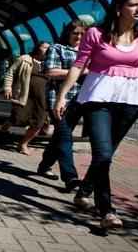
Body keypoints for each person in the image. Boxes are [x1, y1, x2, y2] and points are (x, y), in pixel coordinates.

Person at [53, 0, 138, 230]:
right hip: (98, 99)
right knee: (102, 154)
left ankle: (83, 193)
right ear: (119, 7)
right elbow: (79, 66)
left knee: (106, 154)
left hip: (130, 101)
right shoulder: (96, 33)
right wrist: (62, 96)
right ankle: (107, 211)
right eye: (134, 4)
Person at [36, 20, 89, 192]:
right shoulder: (57, 48)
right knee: (66, 137)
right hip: (59, 99)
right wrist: (81, 71)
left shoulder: (88, 52)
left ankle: (45, 165)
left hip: (80, 100)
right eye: (75, 33)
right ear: (68, 33)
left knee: (60, 137)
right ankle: (71, 178)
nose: (79, 36)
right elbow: (50, 72)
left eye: (82, 34)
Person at [2, 41, 51, 155]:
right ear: (38, 47)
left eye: (49, 48)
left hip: (42, 98)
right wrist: (7, 88)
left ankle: (23, 144)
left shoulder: (50, 63)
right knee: (19, 118)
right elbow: (10, 73)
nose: (47, 50)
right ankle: (7, 124)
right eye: (44, 47)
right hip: (25, 94)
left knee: (38, 122)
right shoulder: (25, 59)